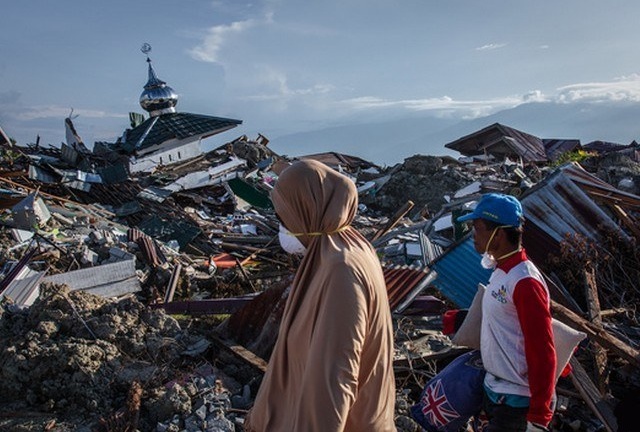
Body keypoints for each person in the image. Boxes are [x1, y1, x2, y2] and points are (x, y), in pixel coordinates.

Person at [244, 159, 397, 432]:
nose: (283, 225)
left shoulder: (341, 269)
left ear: (308, 209)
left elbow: (336, 377)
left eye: (284, 217)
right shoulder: (344, 247)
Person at [457, 193, 556, 432]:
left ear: (498, 233)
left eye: (478, 228)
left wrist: (539, 416)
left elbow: (542, 349)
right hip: (496, 392)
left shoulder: (524, 282)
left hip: (516, 402)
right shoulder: (501, 270)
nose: (473, 234)